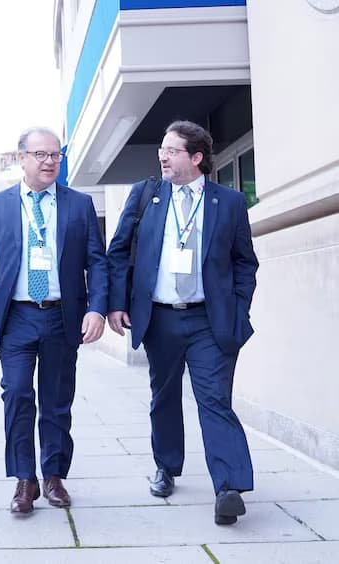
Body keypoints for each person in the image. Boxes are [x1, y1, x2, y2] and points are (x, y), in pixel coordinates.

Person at [106, 120, 258, 526]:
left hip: (210, 320)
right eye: (162, 149)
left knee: (214, 399)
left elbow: (245, 262)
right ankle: (167, 467)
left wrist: (238, 309)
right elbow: (118, 251)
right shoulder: (146, 195)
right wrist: (116, 303)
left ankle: (229, 487)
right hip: (160, 318)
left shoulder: (229, 202)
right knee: (164, 397)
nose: (163, 157)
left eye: (172, 151)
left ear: (196, 157)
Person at [0, 127, 107, 514]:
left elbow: (97, 262)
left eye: (55, 155)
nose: (49, 162)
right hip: (17, 317)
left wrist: (97, 308)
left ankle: (54, 476)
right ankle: (24, 480)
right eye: (41, 155)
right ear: (21, 158)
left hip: (63, 316)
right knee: (16, 393)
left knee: (57, 399)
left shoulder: (79, 205)